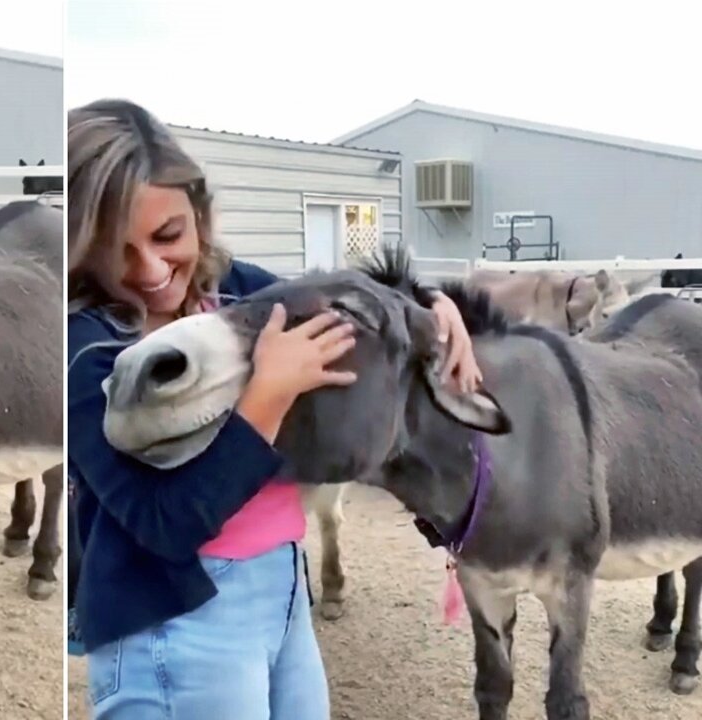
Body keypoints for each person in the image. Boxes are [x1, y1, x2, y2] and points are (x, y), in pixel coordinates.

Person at [66, 98, 482, 720]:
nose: (150, 271)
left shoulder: (227, 289)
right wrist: (266, 397)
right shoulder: (83, 348)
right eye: (115, 250)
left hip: (280, 587)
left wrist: (428, 305)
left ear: (200, 215)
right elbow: (165, 525)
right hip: (174, 623)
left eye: (168, 236)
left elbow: (336, 295)